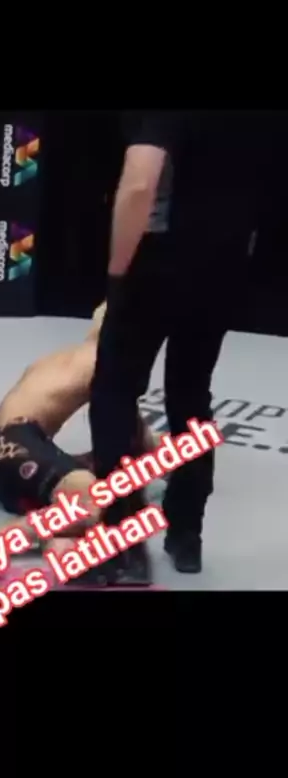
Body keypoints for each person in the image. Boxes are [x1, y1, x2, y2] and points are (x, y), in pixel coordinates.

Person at [89, 110, 288, 582]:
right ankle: (186, 533)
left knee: (115, 391)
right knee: (191, 394)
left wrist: (116, 274)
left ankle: (121, 540)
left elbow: (140, 181)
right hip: (222, 264)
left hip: (155, 262)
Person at [0, 302, 158, 580]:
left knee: (85, 488)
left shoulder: (62, 357)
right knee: (101, 504)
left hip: (6, 454)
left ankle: (59, 544)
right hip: (20, 449)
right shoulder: (103, 364)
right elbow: (136, 437)